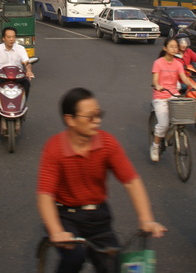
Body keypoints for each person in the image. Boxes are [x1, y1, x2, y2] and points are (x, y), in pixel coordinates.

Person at [37, 88, 166, 272]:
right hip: (66, 216)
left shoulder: (107, 143)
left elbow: (131, 181)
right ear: (70, 120)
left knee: (112, 263)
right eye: (90, 117)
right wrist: (56, 231)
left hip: (98, 218)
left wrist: (146, 219)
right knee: (75, 257)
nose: (97, 121)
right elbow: (45, 195)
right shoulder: (54, 149)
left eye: (98, 115)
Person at [150, 37, 196, 162]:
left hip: (174, 95)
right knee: (163, 124)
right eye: (171, 46)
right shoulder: (158, 63)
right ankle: (155, 146)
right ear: (165, 48)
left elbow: (184, 78)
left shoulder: (178, 63)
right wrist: (158, 85)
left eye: (175, 46)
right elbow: (155, 80)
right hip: (160, 97)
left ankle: (174, 133)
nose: (174, 48)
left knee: (182, 118)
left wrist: (192, 85)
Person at [0, 27, 34, 113]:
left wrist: (29, 71)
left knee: (26, 83)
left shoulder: (20, 49)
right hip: (2, 77)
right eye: (9, 37)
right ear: (3, 38)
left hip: (17, 77)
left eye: (13, 37)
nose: (11, 39)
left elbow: (27, 62)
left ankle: (21, 105)